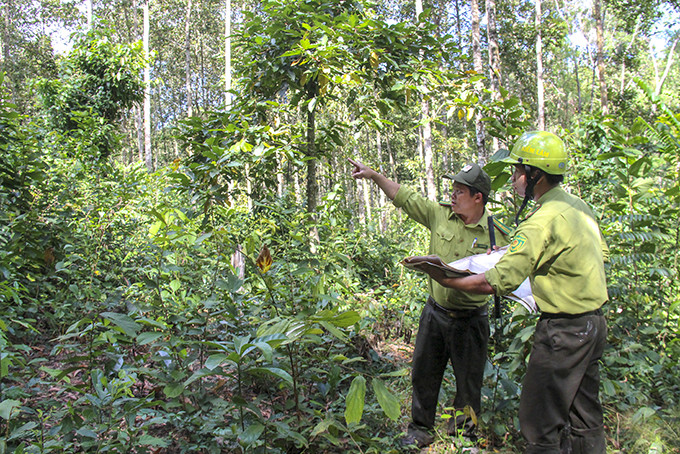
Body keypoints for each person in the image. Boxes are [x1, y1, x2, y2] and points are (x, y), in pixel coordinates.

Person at [420, 131, 608, 454]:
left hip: (562, 334)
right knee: (584, 416)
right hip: (593, 327)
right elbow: (594, 254)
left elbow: (496, 281)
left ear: (535, 175)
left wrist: (447, 279)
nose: (514, 179)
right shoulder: (578, 207)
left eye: (518, 172)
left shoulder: (539, 221)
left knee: (538, 422)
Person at [348, 158, 511, 448]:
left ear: (478, 198)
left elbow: (510, 274)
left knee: (469, 382)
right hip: (435, 313)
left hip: (471, 319)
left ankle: (464, 435)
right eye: (453, 189)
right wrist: (374, 176)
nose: (453, 194)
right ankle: (420, 429)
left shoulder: (496, 234)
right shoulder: (439, 215)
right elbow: (405, 197)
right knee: (424, 373)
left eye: (460, 191)